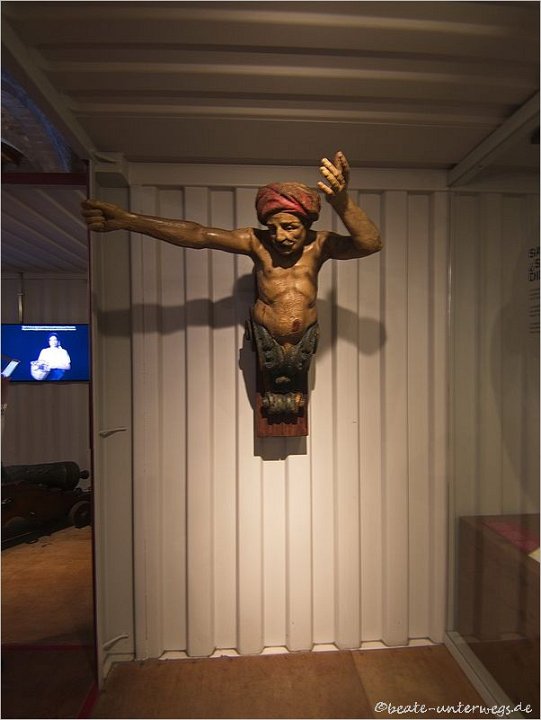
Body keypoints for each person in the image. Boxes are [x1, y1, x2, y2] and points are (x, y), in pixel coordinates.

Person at [82, 151, 382, 414]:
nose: (280, 236)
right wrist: (128, 220)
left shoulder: (321, 245)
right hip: (265, 340)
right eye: (273, 228)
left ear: (307, 223)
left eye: (290, 227)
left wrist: (342, 202)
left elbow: (370, 244)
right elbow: (199, 235)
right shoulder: (256, 242)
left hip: (304, 343)